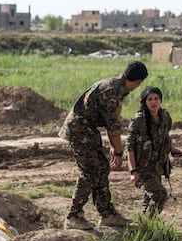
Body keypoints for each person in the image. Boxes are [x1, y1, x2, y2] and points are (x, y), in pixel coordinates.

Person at [58, 61, 148, 230]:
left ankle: (107, 214)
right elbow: (112, 126)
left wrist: (115, 148)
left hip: (87, 130)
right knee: (90, 172)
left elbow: (109, 123)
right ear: (137, 82)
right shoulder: (112, 92)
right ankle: (73, 216)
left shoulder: (115, 87)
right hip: (80, 131)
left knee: (101, 169)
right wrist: (119, 152)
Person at [126, 86, 182, 218]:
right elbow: (129, 146)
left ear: (160, 100)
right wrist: (133, 172)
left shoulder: (165, 116)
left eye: (156, 98)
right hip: (143, 167)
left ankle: (145, 226)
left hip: (158, 165)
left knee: (149, 198)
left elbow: (165, 136)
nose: (153, 102)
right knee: (160, 195)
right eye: (150, 99)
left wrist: (172, 149)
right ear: (144, 102)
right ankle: (150, 222)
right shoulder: (139, 121)